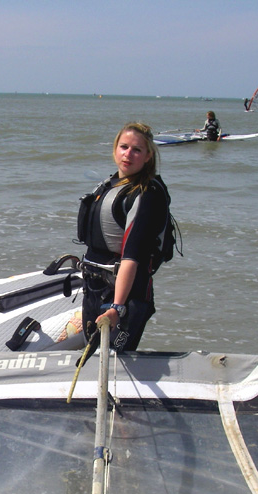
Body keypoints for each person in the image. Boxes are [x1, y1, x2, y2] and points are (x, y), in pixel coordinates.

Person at [77, 122, 171, 352]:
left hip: (126, 297)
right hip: (95, 288)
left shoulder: (146, 195)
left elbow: (131, 257)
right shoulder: (110, 185)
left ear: (148, 156)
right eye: (124, 147)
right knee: (92, 354)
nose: (128, 154)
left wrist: (117, 308)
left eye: (137, 150)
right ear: (115, 149)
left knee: (115, 360)